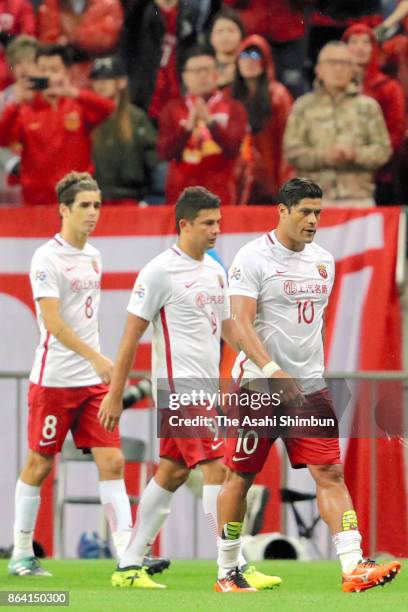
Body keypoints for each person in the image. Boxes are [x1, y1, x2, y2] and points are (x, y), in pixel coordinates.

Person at [214, 177, 401, 593]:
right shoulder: (252, 257)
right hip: (260, 387)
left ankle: (353, 565)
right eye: (305, 212)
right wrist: (272, 369)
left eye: (318, 212)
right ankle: (227, 570)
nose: (313, 220)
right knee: (240, 477)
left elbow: (308, 325)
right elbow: (239, 323)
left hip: (309, 389)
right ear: (282, 211)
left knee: (330, 472)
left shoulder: (324, 261)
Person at [98, 186, 281, 590]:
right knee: (218, 467)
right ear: (184, 224)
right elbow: (131, 337)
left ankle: (128, 565)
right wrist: (115, 392)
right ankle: (229, 567)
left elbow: (229, 327)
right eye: (207, 223)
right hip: (179, 391)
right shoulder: (159, 271)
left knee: (172, 472)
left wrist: (262, 361)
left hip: (205, 392)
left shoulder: (215, 270)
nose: (216, 230)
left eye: (218, 222)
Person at [7, 171, 133, 577]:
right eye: (84, 206)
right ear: (64, 209)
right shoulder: (46, 258)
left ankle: (128, 557)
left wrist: (97, 367)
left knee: (112, 461)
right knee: (41, 464)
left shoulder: (94, 256)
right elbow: (54, 323)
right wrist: (98, 358)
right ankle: (22, 553)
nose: (93, 213)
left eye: (97, 205)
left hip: (93, 385)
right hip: (55, 382)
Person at [0, 44, 115, 205]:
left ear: (66, 73)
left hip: (76, 199)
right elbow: (3, 140)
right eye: (42, 70)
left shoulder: (78, 105)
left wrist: (74, 93)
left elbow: (109, 108)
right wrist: (15, 105)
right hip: (37, 201)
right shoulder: (25, 109)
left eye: (54, 70)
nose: (48, 76)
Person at [283, 41, 391, 205]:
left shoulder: (368, 107)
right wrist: (325, 156)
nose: (339, 68)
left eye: (345, 63)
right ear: (319, 70)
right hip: (313, 200)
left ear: (353, 70)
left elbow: (383, 151)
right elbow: (291, 152)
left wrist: (354, 155)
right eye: (332, 63)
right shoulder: (303, 106)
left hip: (358, 198)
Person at [157, 47, 247, 205]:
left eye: (207, 70)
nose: (203, 75)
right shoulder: (172, 109)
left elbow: (233, 148)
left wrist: (211, 123)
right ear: (185, 76)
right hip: (182, 197)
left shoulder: (234, 107)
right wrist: (186, 129)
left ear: (216, 74)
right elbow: (164, 153)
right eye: (197, 71)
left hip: (221, 195)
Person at [342, 23, 405, 204]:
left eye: (366, 42)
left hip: (380, 176)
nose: (360, 48)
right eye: (354, 42)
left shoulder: (389, 88)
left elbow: (396, 131)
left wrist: (372, 162)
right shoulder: (334, 88)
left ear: (374, 48)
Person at [231, 34, 293, 204]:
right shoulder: (228, 96)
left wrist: (285, 188)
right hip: (236, 181)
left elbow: (287, 143)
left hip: (271, 181)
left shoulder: (279, 96)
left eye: (255, 56)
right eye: (244, 56)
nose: (249, 61)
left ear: (265, 62)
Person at [89, 56, 158, 204]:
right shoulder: (86, 116)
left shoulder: (136, 117)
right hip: (94, 199)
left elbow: (152, 159)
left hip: (130, 198)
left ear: (122, 82)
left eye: (107, 78)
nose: (100, 84)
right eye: (96, 79)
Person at [37, 0, 124, 88]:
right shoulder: (52, 4)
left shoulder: (108, 3)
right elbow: (48, 39)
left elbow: (107, 37)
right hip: (62, 72)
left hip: (99, 71)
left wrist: (75, 37)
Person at [209, 6, 245, 89]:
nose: (225, 36)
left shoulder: (249, 66)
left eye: (231, 30)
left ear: (241, 35)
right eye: (219, 31)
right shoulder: (204, 69)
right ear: (211, 38)